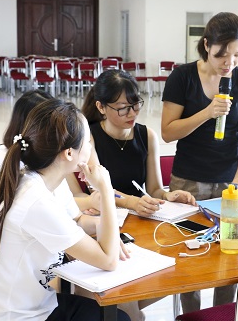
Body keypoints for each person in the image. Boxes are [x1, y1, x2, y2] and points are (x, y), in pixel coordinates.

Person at [0, 99, 130, 321]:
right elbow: (108, 261)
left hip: (34, 304)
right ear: (69, 153)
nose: (91, 147)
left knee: (114, 313)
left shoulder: (37, 179)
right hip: (18, 317)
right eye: (87, 141)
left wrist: (106, 232)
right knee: (119, 318)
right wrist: (106, 188)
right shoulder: (35, 201)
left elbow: (76, 222)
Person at [161, 12, 238, 313]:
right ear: (206, 45)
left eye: (237, 54)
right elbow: (167, 132)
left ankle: (222, 315)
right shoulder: (182, 77)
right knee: (188, 255)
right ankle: (190, 316)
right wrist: (207, 112)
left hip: (230, 182)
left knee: (229, 252)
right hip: (188, 181)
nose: (229, 62)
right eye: (221, 55)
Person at [78, 69, 196, 321]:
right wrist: (133, 202)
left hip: (141, 225)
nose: (132, 114)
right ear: (100, 106)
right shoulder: (90, 138)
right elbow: (97, 190)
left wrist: (168, 196)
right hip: (107, 223)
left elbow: (154, 189)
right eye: (123, 108)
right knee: (124, 289)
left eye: (135, 105)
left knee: (178, 268)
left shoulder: (146, 135)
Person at [0, 90, 101, 215]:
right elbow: (41, 206)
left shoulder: (51, 156)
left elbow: (65, 199)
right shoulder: (6, 157)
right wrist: (91, 200)